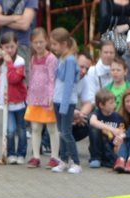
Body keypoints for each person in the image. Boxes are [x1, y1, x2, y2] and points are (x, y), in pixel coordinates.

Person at [0, 30, 27, 164]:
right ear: (1, 48)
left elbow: (14, 78)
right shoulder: (0, 61)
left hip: (19, 101)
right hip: (6, 102)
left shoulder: (20, 61)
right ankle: (11, 153)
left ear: (17, 45)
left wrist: (9, 63)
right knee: (10, 130)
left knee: (21, 130)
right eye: (6, 47)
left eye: (12, 47)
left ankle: (21, 154)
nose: (9, 50)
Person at [23, 27, 58, 169]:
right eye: (36, 42)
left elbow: (52, 79)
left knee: (52, 128)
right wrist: (29, 95)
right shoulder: (32, 58)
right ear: (31, 43)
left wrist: (51, 97)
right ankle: (36, 156)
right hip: (35, 98)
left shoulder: (51, 59)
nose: (38, 45)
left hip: (47, 98)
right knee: (35, 127)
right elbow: (31, 78)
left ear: (47, 42)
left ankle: (55, 157)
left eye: (41, 42)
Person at [50, 27, 81, 174]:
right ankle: (64, 160)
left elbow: (68, 83)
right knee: (61, 132)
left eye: (55, 44)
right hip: (58, 100)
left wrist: (63, 104)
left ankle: (76, 162)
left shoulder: (69, 60)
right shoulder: (61, 58)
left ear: (64, 44)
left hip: (66, 102)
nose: (53, 47)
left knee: (66, 132)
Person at [88, 88, 121, 169]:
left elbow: (121, 130)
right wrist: (111, 129)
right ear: (101, 105)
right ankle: (96, 158)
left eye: (114, 102)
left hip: (111, 147)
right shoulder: (97, 113)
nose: (114, 105)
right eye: (111, 103)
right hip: (98, 145)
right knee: (94, 128)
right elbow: (92, 121)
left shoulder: (117, 116)